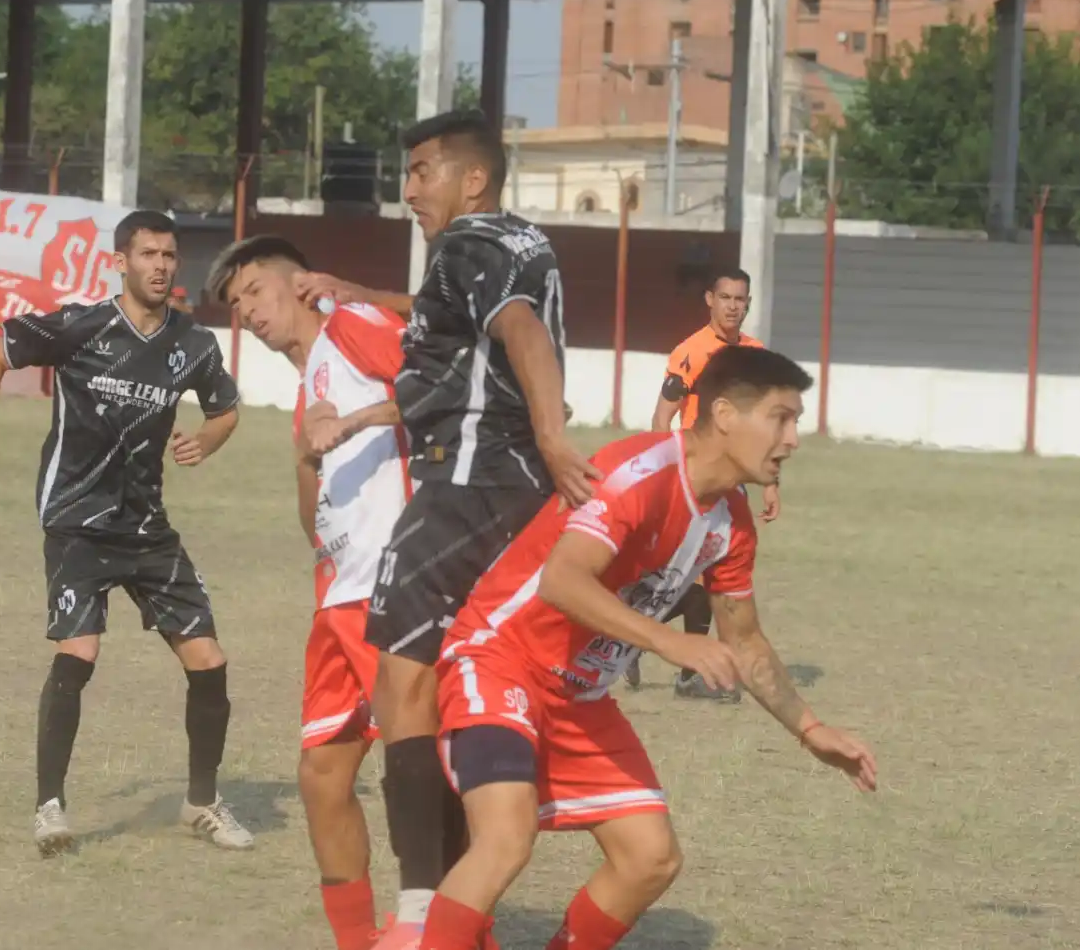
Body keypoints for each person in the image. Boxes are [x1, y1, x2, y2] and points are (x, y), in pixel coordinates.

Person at [417, 345, 877, 950]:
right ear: (724, 414)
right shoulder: (638, 473)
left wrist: (810, 728)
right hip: (497, 660)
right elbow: (562, 580)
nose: (792, 439)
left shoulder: (731, 524)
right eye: (781, 418)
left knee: (650, 857)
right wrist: (668, 642)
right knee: (505, 838)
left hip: (578, 696)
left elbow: (744, 640)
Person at [295, 108, 598, 947]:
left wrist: (552, 436)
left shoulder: (466, 244)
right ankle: (460, 897)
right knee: (462, 685)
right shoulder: (516, 241)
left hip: (469, 486)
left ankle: (423, 908)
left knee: (403, 685)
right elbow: (459, 340)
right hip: (502, 485)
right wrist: (367, 309)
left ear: (474, 178)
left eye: (423, 170)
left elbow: (518, 328)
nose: (409, 188)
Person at [0, 209, 254, 856]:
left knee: (210, 662)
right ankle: (49, 808)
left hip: (147, 528)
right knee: (80, 652)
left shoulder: (193, 343)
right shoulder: (81, 325)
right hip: (77, 519)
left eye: (169, 255)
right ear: (120, 262)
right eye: (148, 254)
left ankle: (200, 803)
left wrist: (207, 441)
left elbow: (225, 409)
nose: (161, 266)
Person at [209, 234, 410, 950]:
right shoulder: (309, 384)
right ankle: (359, 941)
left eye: (254, 292)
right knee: (324, 773)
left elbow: (446, 390)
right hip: (338, 598)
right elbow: (313, 499)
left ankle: (450, 928)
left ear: (300, 285)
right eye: (237, 307)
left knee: (419, 769)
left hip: (391, 586)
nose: (248, 313)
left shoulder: (353, 326)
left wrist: (355, 421)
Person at [629, 266, 775, 701]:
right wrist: (667, 475)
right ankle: (638, 639)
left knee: (712, 578)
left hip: (734, 481)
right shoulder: (691, 352)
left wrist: (771, 481)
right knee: (697, 577)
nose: (733, 307)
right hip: (697, 479)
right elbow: (662, 417)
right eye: (725, 298)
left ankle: (675, 665)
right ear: (710, 300)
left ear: (748, 304)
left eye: (740, 300)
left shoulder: (756, 354)